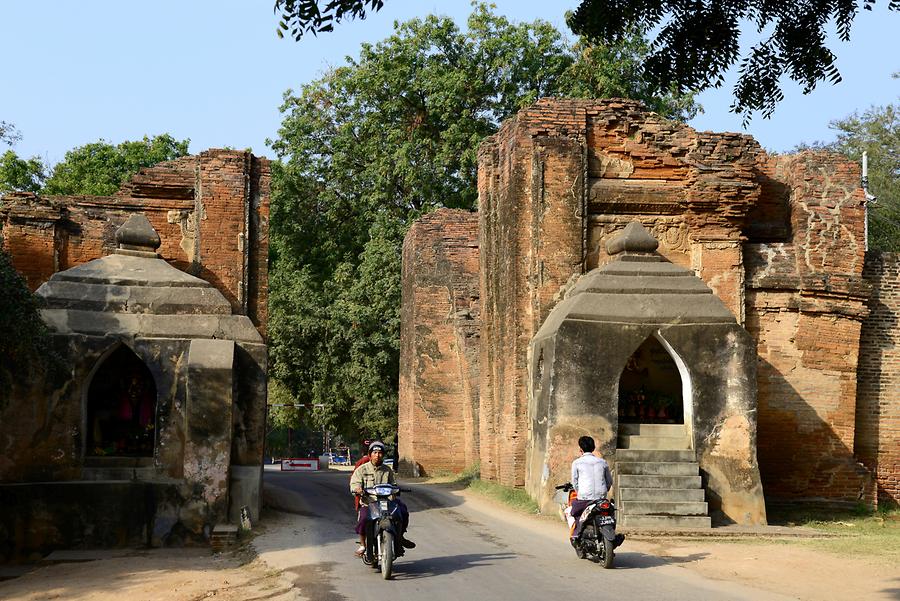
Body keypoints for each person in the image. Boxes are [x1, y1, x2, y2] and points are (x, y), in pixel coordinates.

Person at [349, 440, 415, 556]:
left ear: (383, 455)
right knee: (363, 518)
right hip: (369, 502)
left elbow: (393, 484)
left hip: (387, 502)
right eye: (375, 452)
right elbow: (354, 483)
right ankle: (363, 545)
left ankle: (400, 536)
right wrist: (357, 489)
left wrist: (396, 490)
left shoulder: (387, 470)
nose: (377, 455)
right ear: (370, 454)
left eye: (380, 453)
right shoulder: (362, 469)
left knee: (403, 511)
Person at [569, 435, 613, 538]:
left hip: (585, 498)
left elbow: (575, 482)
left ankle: (577, 535)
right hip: (601, 498)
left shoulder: (577, 463)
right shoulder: (602, 462)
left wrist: (580, 493)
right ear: (593, 448)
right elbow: (609, 481)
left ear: (581, 449)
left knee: (575, 512)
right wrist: (603, 492)